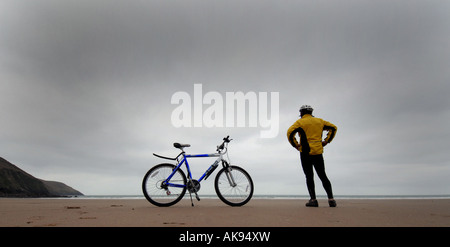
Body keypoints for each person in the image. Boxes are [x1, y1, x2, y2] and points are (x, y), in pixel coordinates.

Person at [287, 105, 338, 207]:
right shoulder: (319, 121)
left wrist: (296, 145)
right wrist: (326, 141)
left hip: (305, 152)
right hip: (318, 152)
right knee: (323, 175)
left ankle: (313, 200)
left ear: (301, 113)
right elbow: (333, 128)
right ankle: (331, 199)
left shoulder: (299, 123)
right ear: (311, 112)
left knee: (309, 176)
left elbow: (289, 133)